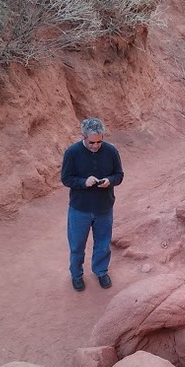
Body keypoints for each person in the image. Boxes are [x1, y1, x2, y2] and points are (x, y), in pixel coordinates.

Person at [60, 118, 124, 291]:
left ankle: (101, 271)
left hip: (104, 207)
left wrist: (109, 181)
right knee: (77, 245)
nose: (96, 145)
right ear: (83, 136)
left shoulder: (111, 151)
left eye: (99, 141)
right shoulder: (72, 152)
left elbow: (119, 175)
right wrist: (83, 182)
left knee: (103, 243)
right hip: (79, 209)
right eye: (92, 142)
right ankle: (76, 275)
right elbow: (66, 178)